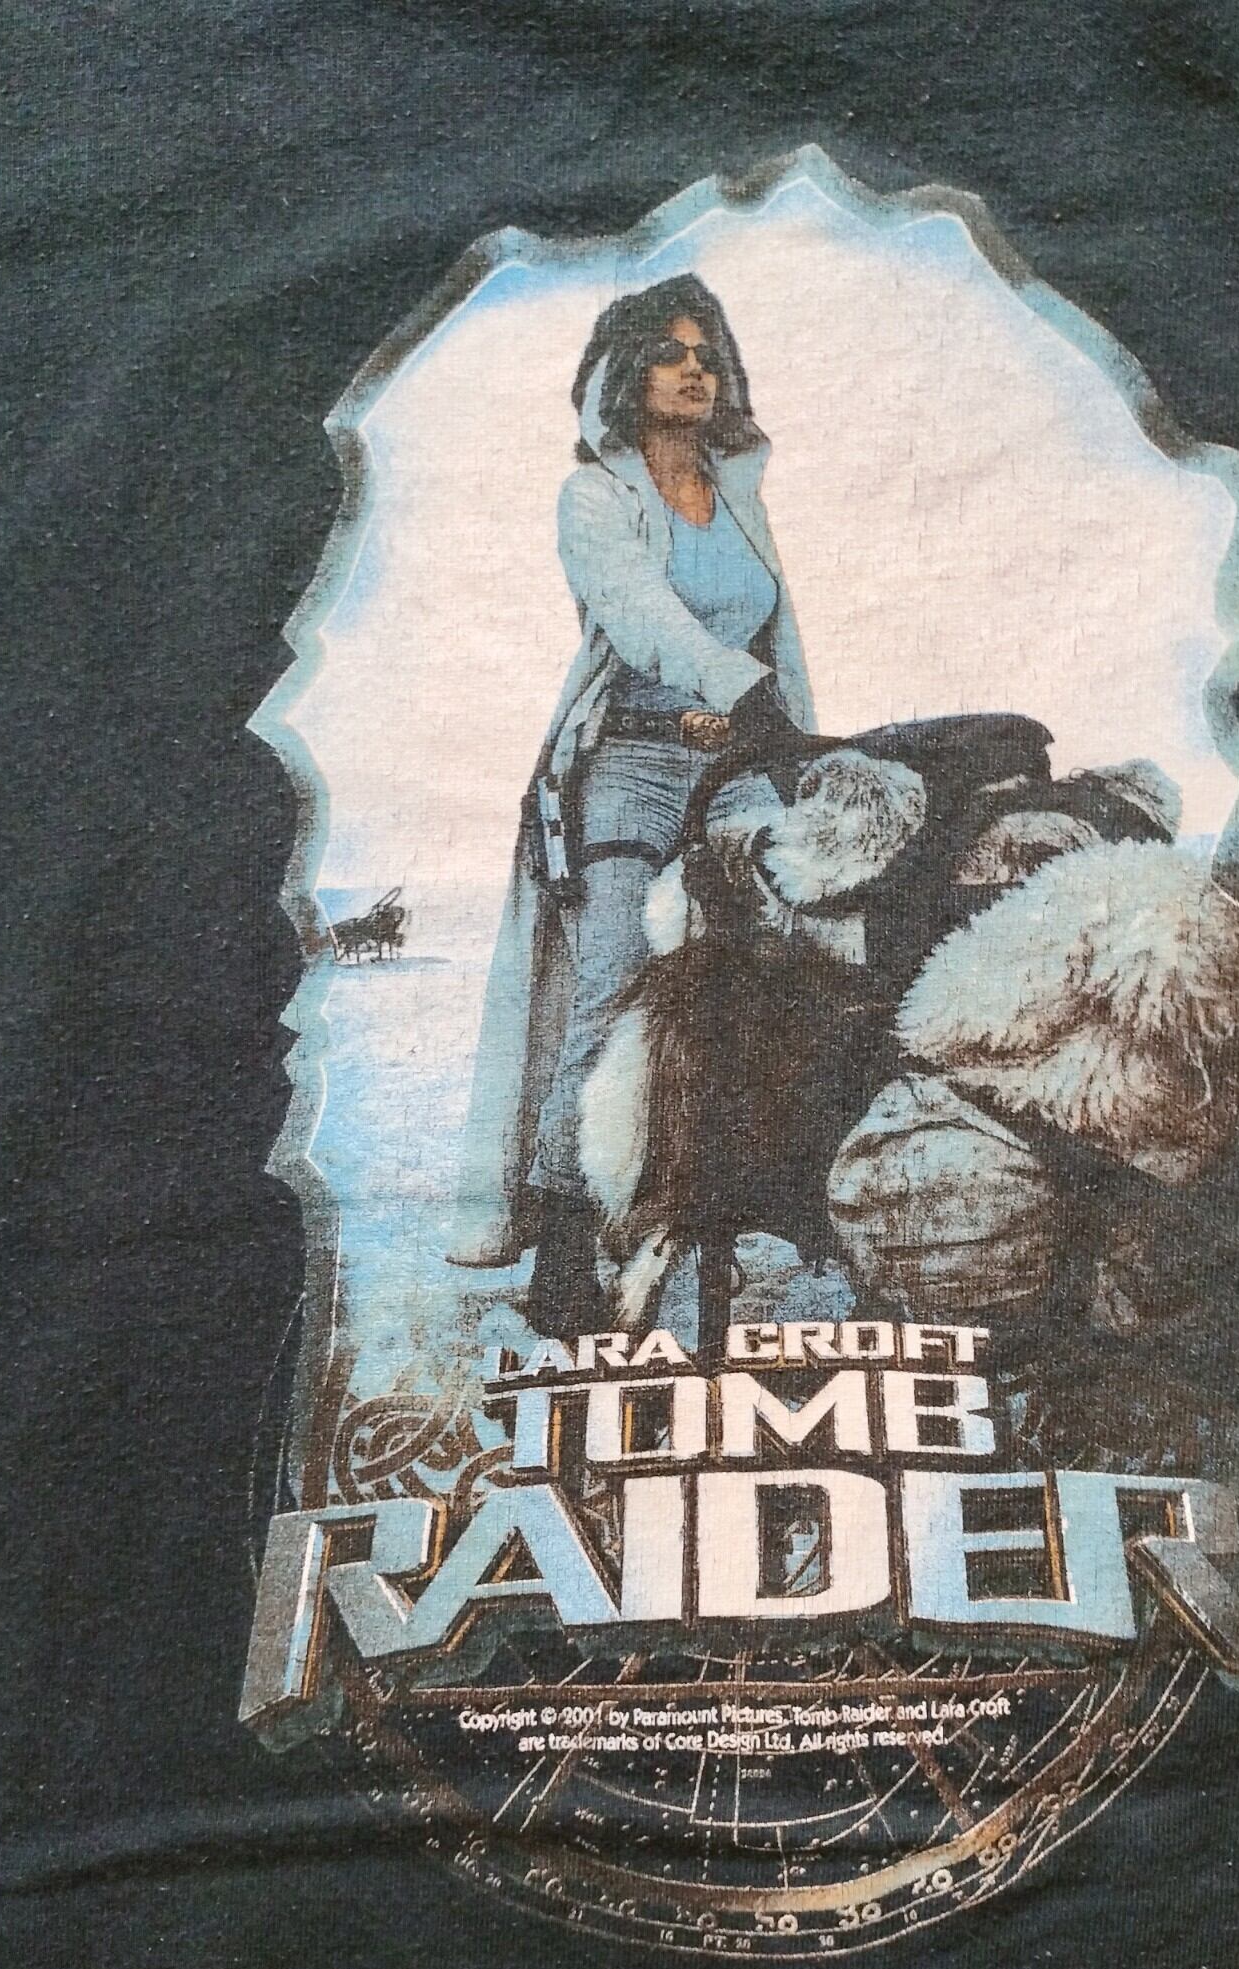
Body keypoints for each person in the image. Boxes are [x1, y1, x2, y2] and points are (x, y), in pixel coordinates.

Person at [448, 273, 816, 1333]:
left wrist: (782, 736)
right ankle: (566, 1244)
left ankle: (724, 1209)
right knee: (611, 983)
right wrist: (731, 687)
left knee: (770, 967)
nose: (694, 371)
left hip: (738, 763)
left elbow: (772, 635)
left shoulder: (739, 494)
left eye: (707, 355)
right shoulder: (594, 498)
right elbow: (640, 612)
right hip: (630, 762)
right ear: (624, 376)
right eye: (669, 353)